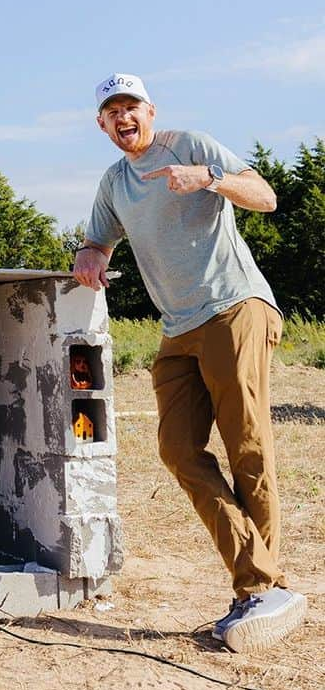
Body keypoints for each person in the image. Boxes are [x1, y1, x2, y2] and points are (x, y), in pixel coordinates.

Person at [72, 73, 305, 654]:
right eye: (111, 112)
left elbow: (267, 196)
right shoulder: (114, 182)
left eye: (131, 107)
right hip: (178, 327)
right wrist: (89, 254)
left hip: (235, 307)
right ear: (100, 123)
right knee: (177, 448)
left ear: (151, 111)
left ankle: (258, 588)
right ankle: (264, 582)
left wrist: (211, 179)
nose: (123, 118)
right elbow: (98, 241)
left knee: (246, 444)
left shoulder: (191, 146)